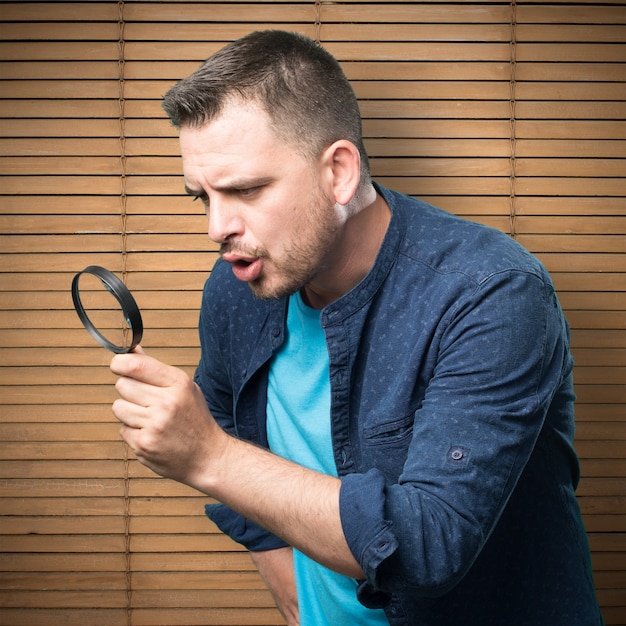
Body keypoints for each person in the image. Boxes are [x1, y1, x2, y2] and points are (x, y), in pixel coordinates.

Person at [110, 30, 604, 626]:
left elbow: (429, 545)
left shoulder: (493, 293)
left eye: (244, 190)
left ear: (339, 172)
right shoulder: (237, 287)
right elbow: (232, 426)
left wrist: (209, 458)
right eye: (201, 198)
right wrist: (292, 592)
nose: (217, 226)